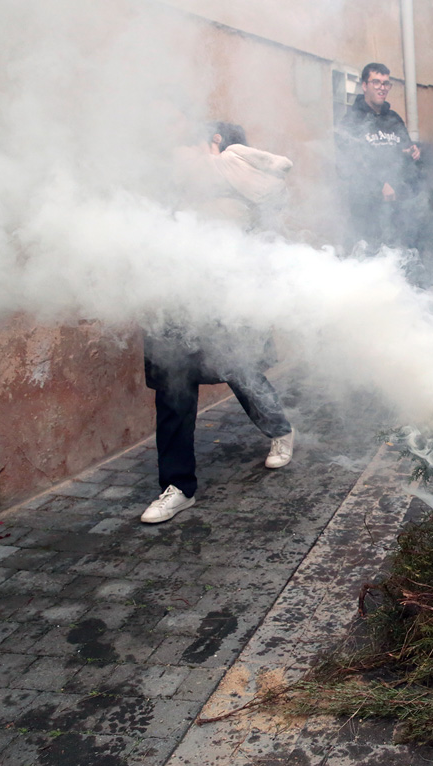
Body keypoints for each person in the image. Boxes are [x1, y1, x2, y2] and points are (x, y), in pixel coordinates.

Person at [140, 122, 296, 524]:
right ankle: (178, 486)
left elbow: (273, 202)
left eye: (183, 144)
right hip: (173, 300)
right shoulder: (161, 181)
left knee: (241, 370)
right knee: (174, 391)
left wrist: (246, 173)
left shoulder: (234, 177)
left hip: (223, 300)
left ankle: (279, 428)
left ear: (210, 145)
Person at [335, 62, 421, 248]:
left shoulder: (394, 119)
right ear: (364, 86)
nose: (382, 88)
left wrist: (412, 152)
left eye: (385, 83)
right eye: (376, 82)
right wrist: (379, 186)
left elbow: (405, 152)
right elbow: (347, 165)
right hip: (366, 211)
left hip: (398, 209)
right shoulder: (351, 121)